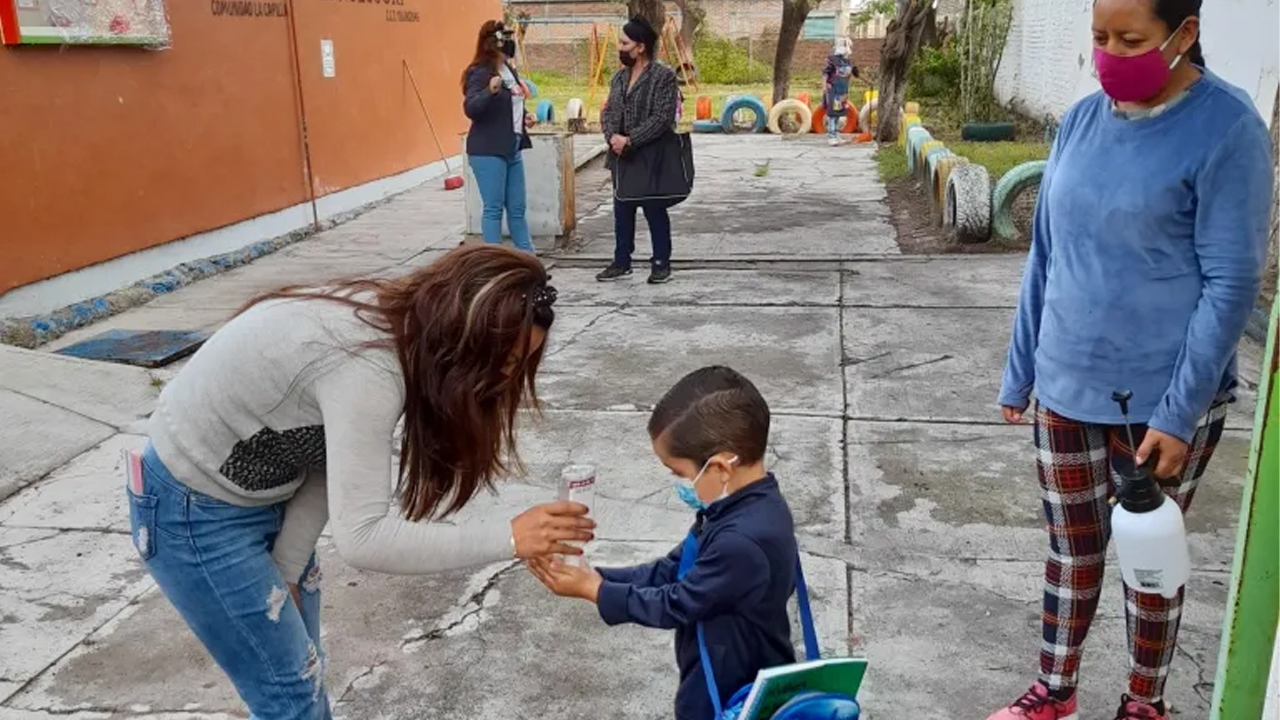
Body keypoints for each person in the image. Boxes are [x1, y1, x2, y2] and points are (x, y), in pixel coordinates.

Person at [126, 245, 596, 719]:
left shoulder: (402, 329)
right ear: (461, 339)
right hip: (189, 508)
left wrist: (287, 567)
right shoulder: (367, 366)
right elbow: (364, 539)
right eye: (501, 362)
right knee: (290, 697)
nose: (502, 380)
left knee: (302, 678)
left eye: (517, 365)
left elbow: (322, 455)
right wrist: (511, 537)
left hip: (264, 489)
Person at [989, 1, 1273, 719]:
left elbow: (1231, 283)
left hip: (1161, 400)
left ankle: (1144, 703)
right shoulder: (1083, 121)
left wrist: (1179, 417)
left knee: (1150, 566)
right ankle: (1053, 692)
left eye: (1131, 39)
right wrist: (1021, 368)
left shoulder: (1228, 129)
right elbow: (1046, 255)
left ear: (1185, 34)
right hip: (1064, 382)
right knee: (1071, 553)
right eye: (1099, 37)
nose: (1110, 53)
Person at [528, 366, 799, 720]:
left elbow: (679, 603)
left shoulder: (742, 542)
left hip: (730, 692)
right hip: (719, 669)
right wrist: (595, 577)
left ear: (720, 467)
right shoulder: (738, 508)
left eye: (680, 473)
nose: (679, 483)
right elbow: (674, 569)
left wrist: (596, 592)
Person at [595, 16, 682, 285]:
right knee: (622, 210)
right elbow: (608, 111)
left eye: (624, 43)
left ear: (640, 47)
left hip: (649, 156)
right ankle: (622, 261)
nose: (619, 48)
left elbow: (662, 117)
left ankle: (660, 262)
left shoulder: (663, 76)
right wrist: (613, 138)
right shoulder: (619, 78)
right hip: (621, 156)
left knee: (654, 210)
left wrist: (630, 139)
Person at [462, 20, 537, 254]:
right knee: (494, 208)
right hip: (487, 150)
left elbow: (511, 103)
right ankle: (494, 264)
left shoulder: (508, 70)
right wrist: (489, 91)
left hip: (511, 147)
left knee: (517, 209)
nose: (510, 44)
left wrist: (524, 117)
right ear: (493, 43)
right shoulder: (479, 73)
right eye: (505, 39)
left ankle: (528, 260)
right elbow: (471, 108)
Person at [822, 37, 859, 146]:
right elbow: (825, 73)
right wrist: (824, 88)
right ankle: (831, 136)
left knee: (839, 113)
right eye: (845, 45)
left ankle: (837, 134)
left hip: (843, 91)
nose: (848, 49)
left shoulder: (848, 61)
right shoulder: (832, 60)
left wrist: (855, 72)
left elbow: (852, 74)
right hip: (833, 89)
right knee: (833, 114)